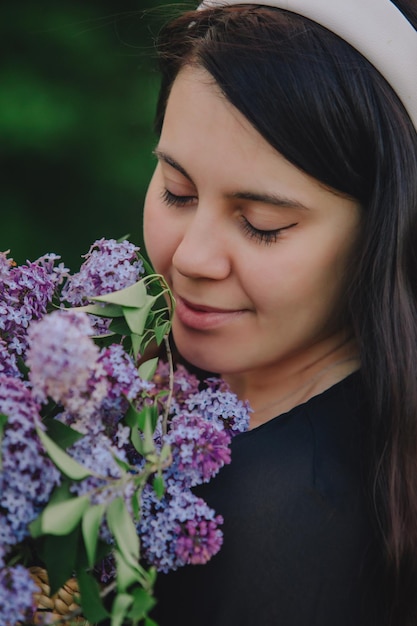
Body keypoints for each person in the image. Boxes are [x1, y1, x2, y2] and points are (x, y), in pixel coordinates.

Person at [142, 1, 417, 624]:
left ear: (382, 235)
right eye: (176, 191)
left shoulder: (283, 512)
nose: (191, 258)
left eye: (262, 224)